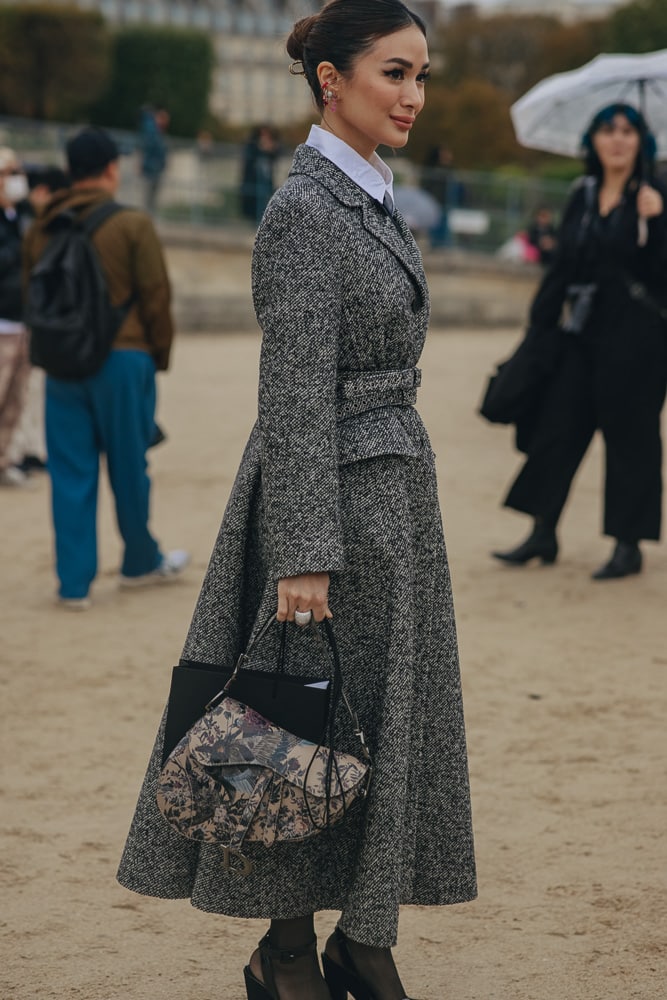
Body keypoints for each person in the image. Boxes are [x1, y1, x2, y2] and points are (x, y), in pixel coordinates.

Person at [116, 2, 477, 998]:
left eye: (421, 77)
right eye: (395, 73)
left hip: (389, 491)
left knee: (357, 727)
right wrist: (304, 547)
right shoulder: (306, 209)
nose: (413, 95)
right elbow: (292, 392)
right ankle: (290, 950)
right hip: (333, 504)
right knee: (307, 729)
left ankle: (356, 940)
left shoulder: (363, 194)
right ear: (332, 79)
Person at [492, 103, 667, 580]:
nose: (617, 139)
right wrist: (540, 327)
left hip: (638, 342)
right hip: (580, 335)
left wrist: (660, 223)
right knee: (558, 430)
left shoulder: (656, 196)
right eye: (607, 129)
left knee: (632, 441)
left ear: (641, 142)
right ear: (592, 141)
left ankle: (627, 545)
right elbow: (562, 268)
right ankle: (542, 530)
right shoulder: (583, 194)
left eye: (628, 131)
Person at [22, 126, 189, 609]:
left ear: (71, 171)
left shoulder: (42, 226)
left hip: (62, 364)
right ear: (112, 169)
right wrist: (156, 355)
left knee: (71, 473)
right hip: (123, 357)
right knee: (129, 467)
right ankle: (139, 560)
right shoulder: (132, 224)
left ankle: (74, 585)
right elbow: (156, 295)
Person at [9, 166, 70, 476]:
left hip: (33, 322)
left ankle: (26, 452)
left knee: (27, 394)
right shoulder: (34, 225)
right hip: (26, 322)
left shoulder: (36, 225)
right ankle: (23, 451)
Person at [0, 147, 32, 487]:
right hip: (1, 323)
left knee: (14, 399)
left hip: (20, 321)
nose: (14, 180)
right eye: (9, 173)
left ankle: (4, 459)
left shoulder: (20, 216)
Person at [240, 124, 281, 224]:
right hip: (254, 179)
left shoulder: (272, 146)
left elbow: (276, 154)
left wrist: (270, 148)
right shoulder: (252, 145)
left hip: (266, 179)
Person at [139, 104, 169, 214]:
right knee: (148, 200)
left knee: (150, 200)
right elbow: (150, 148)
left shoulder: (153, 130)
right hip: (151, 168)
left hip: (153, 168)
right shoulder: (152, 131)